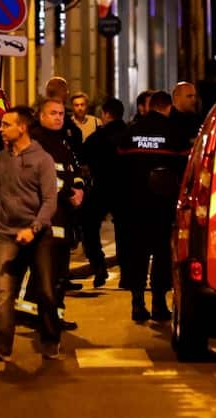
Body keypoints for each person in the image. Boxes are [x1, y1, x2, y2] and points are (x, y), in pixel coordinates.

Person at [0, 106, 60, 362]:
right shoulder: (1, 158)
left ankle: (50, 339)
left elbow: (50, 201)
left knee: (46, 291)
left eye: (6, 124)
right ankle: (2, 346)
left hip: (38, 236)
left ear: (22, 128)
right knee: (4, 293)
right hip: (6, 233)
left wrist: (34, 228)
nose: (1, 129)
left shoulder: (43, 160)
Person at [115, 90, 188, 322]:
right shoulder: (174, 133)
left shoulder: (132, 131)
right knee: (161, 255)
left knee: (137, 254)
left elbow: (119, 165)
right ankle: (158, 304)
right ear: (167, 107)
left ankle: (137, 303)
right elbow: (185, 170)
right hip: (163, 206)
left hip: (134, 204)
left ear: (149, 106)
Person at [29, 98, 84, 322]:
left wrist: (80, 187)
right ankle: (42, 317)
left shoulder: (62, 142)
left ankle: (56, 316)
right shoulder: (36, 143)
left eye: (61, 114)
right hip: (48, 216)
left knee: (61, 272)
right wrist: (68, 193)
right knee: (47, 272)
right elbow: (40, 180)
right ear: (41, 116)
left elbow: (74, 169)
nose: (58, 117)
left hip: (65, 216)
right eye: (53, 113)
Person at [79, 97, 123, 289]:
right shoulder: (130, 134)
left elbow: (81, 158)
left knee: (89, 224)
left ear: (105, 114)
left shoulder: (97, 138)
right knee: (126, 230)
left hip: (102, 187)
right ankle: (128, 273)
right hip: (125, 189)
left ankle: (98, 265)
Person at [170, 81, 202, 146]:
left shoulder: (196, 118)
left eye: (194, 96)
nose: (194, 100)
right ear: (176, 97)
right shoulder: (168, 118)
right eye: (189, 96)